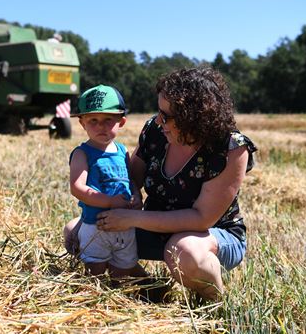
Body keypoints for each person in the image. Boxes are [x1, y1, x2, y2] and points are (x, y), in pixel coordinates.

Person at [64, 67, 257, 300]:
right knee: (76, 231)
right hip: (153, 225)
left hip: (208, 234)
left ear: (192, 117)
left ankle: (215, 304)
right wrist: (125, 200)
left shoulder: (231, 148)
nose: (158, 120)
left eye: (166, 115)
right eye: (159, 112)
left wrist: (132, 218)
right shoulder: (155, 131)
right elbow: (132, 178)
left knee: (183, 252)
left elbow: (202, 218)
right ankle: (151, 288)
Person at [69, 85, 141, 278]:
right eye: (93, 120)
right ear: (82, 123)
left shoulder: (122, 151)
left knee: (123, 271)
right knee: (95, 271)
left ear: (121, 121)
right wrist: (109, 202)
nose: (101, 126)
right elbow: (77, 188)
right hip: (95, 225)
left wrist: (136, 195)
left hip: (125, 225)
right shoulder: (82, 153)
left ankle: (120, 302)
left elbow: (130, 179)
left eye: (108, 120)